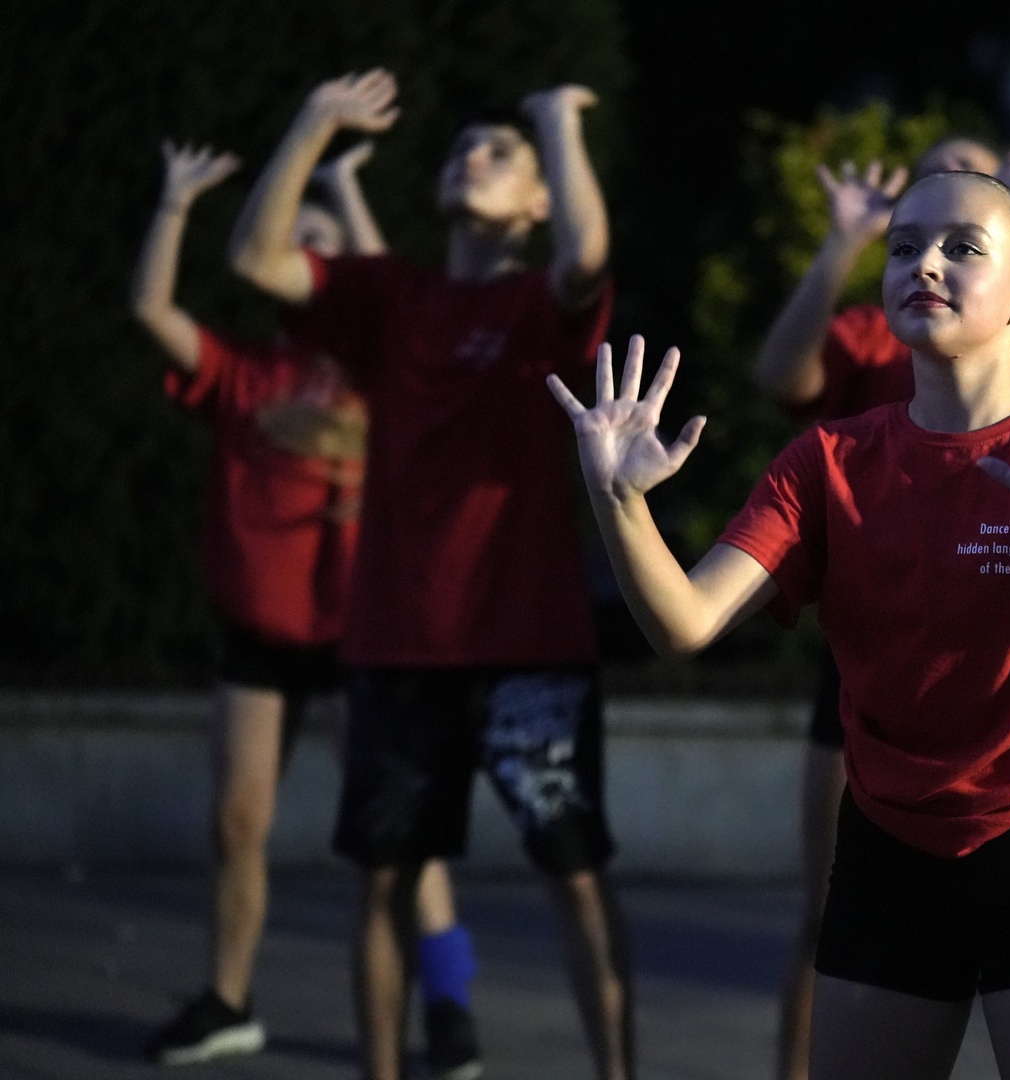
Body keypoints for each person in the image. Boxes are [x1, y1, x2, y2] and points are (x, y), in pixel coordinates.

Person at [552, 169, 1010, 1080]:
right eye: (903, 247)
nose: (924, 264)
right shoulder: (828, 461)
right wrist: (619, 501)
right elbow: (685, 623)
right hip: (890, 850)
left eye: (961, 248)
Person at [227, 70, 628, 1080]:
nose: (470, 158)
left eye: (498, 154)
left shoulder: (538, 304)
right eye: (459, 151)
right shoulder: (390, 295)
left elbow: (586, 254)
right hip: (399, 648)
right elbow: (254, 257)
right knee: (383, 882)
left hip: (532, 647)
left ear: (536, 200)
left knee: (578, 878)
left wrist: (554, 122)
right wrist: (312, 120)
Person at [131, 139, 482, 1075]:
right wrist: (174, 202)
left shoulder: (388, 373)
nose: (310, 250)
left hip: (365, 635)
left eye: (325, 239)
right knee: (236, 822)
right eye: (298, 236)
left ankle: (449, 1004)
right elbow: (151, 310)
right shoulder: (247, 371)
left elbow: (397, 293)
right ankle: (228, 999)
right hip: (261, 633)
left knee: (401, 840)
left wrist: (343, 186)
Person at [749, 134, 1010, 1080]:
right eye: (913, 232)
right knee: (828, 907)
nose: (929, 258)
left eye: (964, 230)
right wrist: (844, 243)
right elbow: (783, 376)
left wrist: (1004, 233)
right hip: (880, 669)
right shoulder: (866, 357)